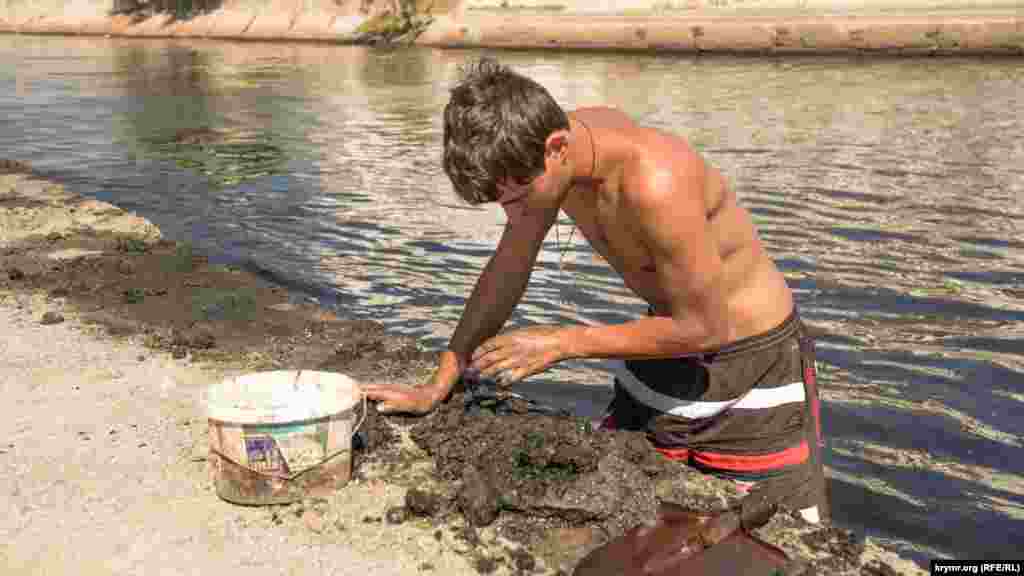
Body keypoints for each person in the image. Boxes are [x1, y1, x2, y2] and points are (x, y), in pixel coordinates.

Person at [363, 57, 828, 523]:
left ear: (556, 147)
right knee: (646, 522)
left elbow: (709, 326)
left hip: (751, 367)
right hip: (662, 349)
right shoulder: (552, 159)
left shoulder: (655, 182)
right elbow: (510, 263)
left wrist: (561, 343)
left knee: (771, 536)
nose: (514, 216)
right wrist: (440, 381)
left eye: (519, 199)